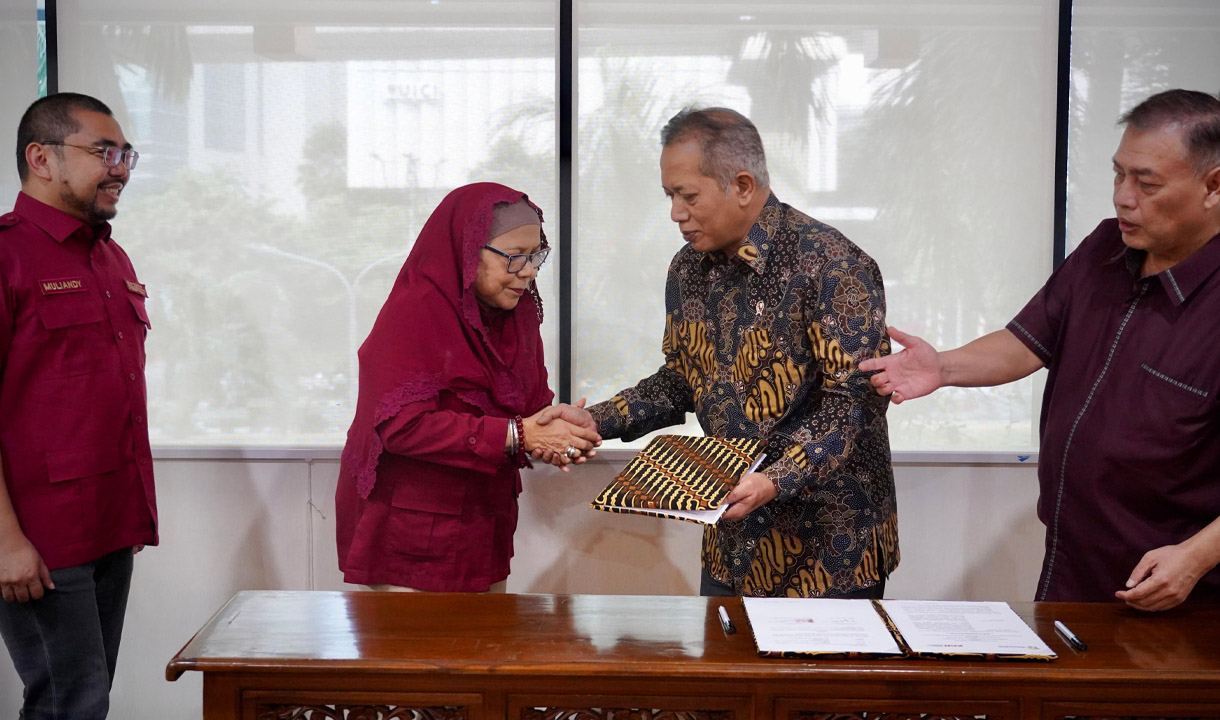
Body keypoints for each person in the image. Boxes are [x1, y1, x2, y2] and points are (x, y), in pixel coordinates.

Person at [860, 89, 1220, 611]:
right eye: (1118, 174)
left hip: (1178, 581)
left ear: (1213, 185)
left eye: (1147, 183)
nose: (1123, 196)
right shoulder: (1104, 248)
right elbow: (1025, 342)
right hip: (1072, 562)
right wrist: (944, 367)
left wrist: (1196, 556)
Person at [571, 107, 900, 598]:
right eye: (670, 196)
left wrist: (774, 479)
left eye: (688, 196)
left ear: (742, 185)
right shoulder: (688, 269)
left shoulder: (833, 265)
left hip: (832, 549)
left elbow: (854, 403)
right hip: (733, 541)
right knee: (725, 674)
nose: (675, 213)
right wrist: (594, 421)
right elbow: (680, 379)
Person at [336, 182, 600, 593]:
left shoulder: (516, 314)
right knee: (420, 655)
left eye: (535, 256)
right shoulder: (416, 312)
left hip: (484, 526)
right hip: (410, 538)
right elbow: (399, 426)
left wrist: (560, 428)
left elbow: (530, 412)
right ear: (467, 248)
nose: (528, 271)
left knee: (485, 652)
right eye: (515, 257)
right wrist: (521, 434)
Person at [0, 93, 155, 718]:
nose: (119, 167)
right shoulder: (7, 256)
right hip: (40, 537)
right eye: (102, 152)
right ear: (41, 157)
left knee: (88, 700)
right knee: (71, 703)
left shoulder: (109, 256)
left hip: (111, 525)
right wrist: (4, 540)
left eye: (126, 155)